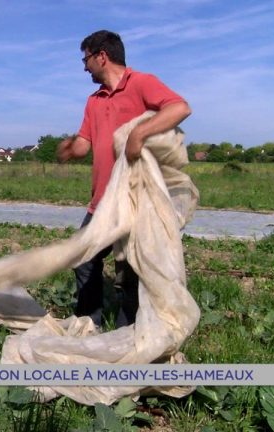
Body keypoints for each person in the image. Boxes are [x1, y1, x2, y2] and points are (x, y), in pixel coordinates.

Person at [57, 30, 191, 328]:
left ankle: (127, 331)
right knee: (82, 257)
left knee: (131, 268)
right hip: (101, 202)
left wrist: (139, 133)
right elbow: (85, 142)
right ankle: (88, 323)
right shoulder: (93, 100)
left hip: (134, 199)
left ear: (101, 56)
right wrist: (70, 149)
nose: (84, 67)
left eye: (86, 59)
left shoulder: (141, 83)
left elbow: (180, 107)